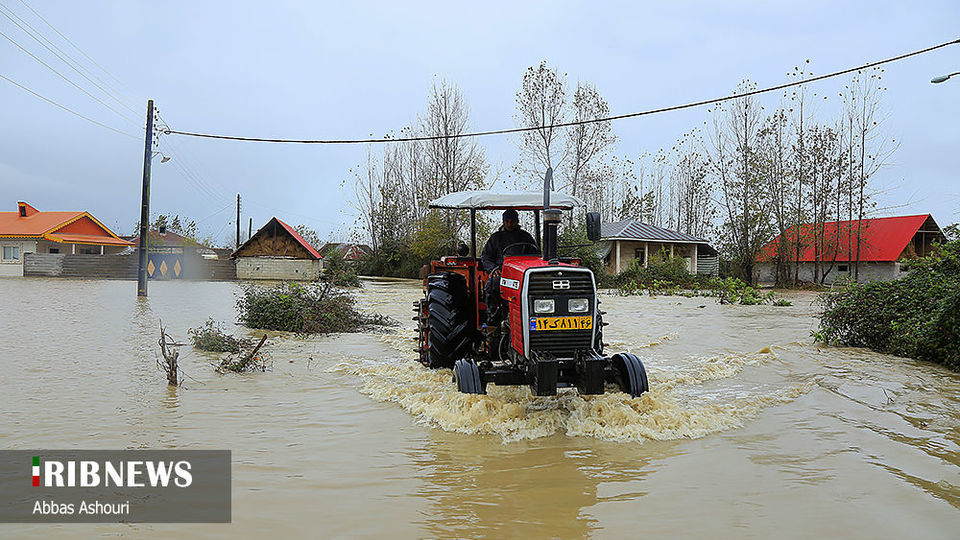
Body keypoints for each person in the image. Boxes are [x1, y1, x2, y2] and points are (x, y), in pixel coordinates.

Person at [480, 209, 539, 326]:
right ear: (504, 222)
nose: (510, 223)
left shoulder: (525, 237)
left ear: (517, 221)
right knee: (492, 284)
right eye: (507, 221)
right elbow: (486, 256)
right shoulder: (496, 238)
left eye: (512, 221)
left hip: (523, 270)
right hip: (502, 270)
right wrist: (493, 269)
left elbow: (536, 254)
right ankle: (493, 318)